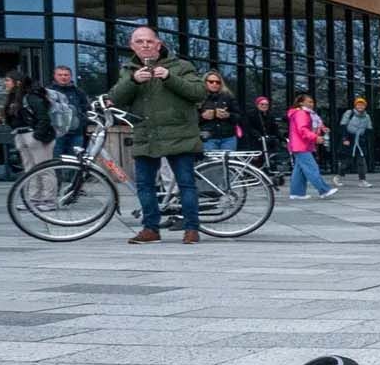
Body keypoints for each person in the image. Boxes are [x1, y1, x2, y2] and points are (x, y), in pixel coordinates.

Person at [108, 26, 204, 244]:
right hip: (146, 135)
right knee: (145, 185)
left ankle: (191, 229)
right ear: (132, 46)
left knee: (186, 184)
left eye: (149, 41)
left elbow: (198, 93)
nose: (145, 45)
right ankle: (150, 229)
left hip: (179, 134)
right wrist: (133, 81)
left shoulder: (180, 66)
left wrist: (170, 78)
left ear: (158, 44)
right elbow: (115, 97)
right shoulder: (129, 69)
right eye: (139, 42)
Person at [2, 70, 56, 204]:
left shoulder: (31, 97)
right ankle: (34, 198)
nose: (5, 83)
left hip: (33, 135)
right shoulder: (14, 98)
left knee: (44, 169)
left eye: (8, 80)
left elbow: (44, 118)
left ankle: (48, 199)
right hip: (21, 135)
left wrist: (37, 135)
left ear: (18, 83)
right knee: (30, 170)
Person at [286, 94, 336, 200]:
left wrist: (321, 129)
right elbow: (302, 129)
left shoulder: (306, 114)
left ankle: (297, 193)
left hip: (299, 145)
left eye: (312, 102)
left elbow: (314, 124)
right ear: (301, 102)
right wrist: (315, 137)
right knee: (311, 168)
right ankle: (324, 190)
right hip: (301, 145)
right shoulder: (301, 114)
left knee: (299, 170)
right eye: (309, 102)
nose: (311, 104)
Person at [49, 65, 89, 159]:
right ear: (55, 76)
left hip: (76, 134)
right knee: (55, 162)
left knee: (75, 163)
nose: (63, 77)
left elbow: (86, 109)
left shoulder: (78, 92)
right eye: (60, 75)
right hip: (56, 135)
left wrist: (82, 122)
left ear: (70, 76)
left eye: (66, 75)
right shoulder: (48, 92)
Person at [197, 71, 240, 152]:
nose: (214, 84)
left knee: (227, 163)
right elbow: (190, 119)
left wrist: (228, 115)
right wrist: (203, 116)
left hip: (228, 138)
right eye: (211, 82)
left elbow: (239, 117)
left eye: (217, 82)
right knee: (212, 164)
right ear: (205, 82)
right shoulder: (198, 97)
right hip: (208, 138)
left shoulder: (228, 97)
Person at [337, 97, 373, 188]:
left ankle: (362, 180)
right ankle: (338, 176)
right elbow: (343, 125)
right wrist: (345, 138)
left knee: (361, 161)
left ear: (365, 106)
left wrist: (365, 138)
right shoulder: (349, 113)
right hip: (349, 138)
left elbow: (369, 128)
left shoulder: (367, 116)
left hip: (360, 140)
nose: (360, 106)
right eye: (358, 104)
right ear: (355, 105)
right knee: (347, 161)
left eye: (362, 105)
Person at [240, 95, 283, 167]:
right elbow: (249, 127)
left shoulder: (270, 115)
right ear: (257, 105)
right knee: (256, 161)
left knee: (271, 158)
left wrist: (281, 137)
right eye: (262, 104)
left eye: (266, 104)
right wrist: (258, 136)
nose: (264, 106)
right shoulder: (251, 114)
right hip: (255, 141)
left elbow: (274, 128)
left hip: (267, 141)